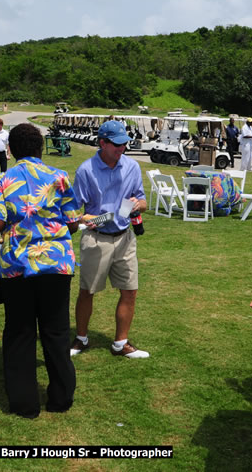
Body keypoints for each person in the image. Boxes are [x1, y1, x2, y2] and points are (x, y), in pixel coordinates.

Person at [0, 123, 80, 419]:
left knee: (20, 333)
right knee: (56, 332)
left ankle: (25, 405)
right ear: (40, 148)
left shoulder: (4, 180)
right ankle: (61, 399)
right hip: (56, 265)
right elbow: (73, 222)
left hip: (19, 269)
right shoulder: (59, 177)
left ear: (10, 149)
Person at [70, 120, 150, 359]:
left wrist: (138, 205)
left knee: (130, 291)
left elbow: (142, 201)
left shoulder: (132, 166)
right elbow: (73, 211)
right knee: (87, 291)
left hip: (125, 238)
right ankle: (81, 338)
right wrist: (88, 218)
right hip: (96, 239)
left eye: (124, 144)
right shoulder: (86, 170)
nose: (122, 148)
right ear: (102, 143)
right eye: (116, 144)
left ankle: (120, 343)